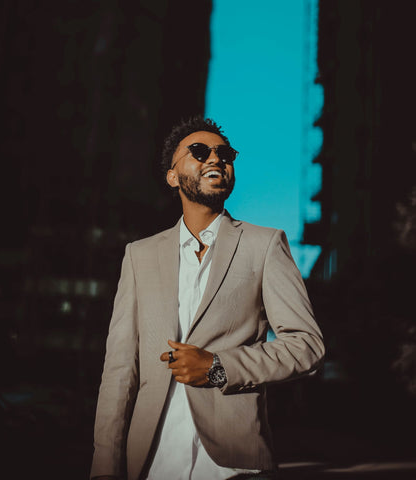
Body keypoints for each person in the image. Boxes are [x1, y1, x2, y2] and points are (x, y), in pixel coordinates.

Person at [90, 117, 325, 480]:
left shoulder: (264, 245)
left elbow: (306, 346)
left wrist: (219, 367)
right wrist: (105, 469)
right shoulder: (140, 255)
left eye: (225, 154)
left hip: (233, 465)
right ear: (172, 176)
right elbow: (120, 372)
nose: (215, 159)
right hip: (151, 464)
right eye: (199, 152)